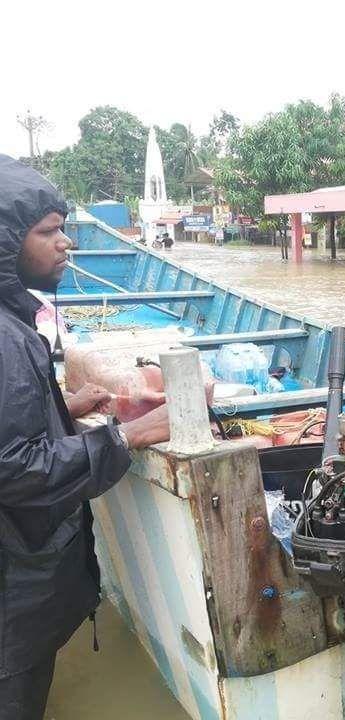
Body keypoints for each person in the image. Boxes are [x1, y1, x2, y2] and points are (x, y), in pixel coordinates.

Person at [0, 155, 171, 720]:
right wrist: (128, 436)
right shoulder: (6, 339)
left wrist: (63, 406)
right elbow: (15, 469)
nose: (65, 243)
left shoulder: (13, 323)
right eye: (48, 231)